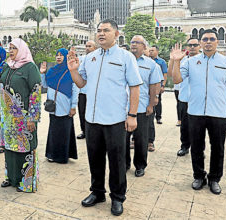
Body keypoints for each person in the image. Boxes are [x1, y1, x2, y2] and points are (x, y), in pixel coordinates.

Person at [67, 19, 142, 216]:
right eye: (99, 30)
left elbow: (135, 86)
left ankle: (117, 197)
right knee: (95, 158)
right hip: (92, 119)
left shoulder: (126, 57)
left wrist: (132, 115)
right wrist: (73, 71)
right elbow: (81, 84)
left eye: (106, 30)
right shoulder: (90, 58)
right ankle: (97, 192)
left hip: (115, 119)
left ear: (116, 34)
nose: (101, 34)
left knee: (117, 160)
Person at [171, 29, 226, 195]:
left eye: (211, 39)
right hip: (195, 112)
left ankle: (215, 178)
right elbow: (176, 79)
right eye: (205, 39)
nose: (208, 42)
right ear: (201, 43)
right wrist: (175, 61)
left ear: (217, 42)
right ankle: (199, 176)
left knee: (218, 148)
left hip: (218, 113)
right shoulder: (191, 62)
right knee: (196, 147)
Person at [0, 38, 41, 192]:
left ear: (21, 49)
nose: (10, 51)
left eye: (14, 48)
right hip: (8, 117)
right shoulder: (7, 67)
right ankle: (12, 178)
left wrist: (32, 118)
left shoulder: (30, 68)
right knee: (10, 148)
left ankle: (26, 183)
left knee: (25, 148)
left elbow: (35, 93)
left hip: (23, 117)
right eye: (9, 48)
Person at [126, 35, 161, 177]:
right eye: (132, 42)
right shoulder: (123, 60)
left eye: (137, 43)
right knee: (122, 139)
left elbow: (154, 85)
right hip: (122, 107)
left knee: (141, 139)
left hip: (141, 107)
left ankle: (140, 165)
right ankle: (125, 163)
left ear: (144, 46)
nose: (134, 45)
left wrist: (151, 104)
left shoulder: (151, 65)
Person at [44, 48, 79, 163]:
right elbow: (45, 84)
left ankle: (63, 156)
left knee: (64, 131)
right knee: (54, 131)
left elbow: (75, 89)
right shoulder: (52, 70)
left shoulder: (70, 71)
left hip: (65, 106)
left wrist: (73, 106)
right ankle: (52, 154)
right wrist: (42, 73)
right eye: (56, 55)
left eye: (61, 55)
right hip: (53, 106)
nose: (58, 57)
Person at [170, 38, 201, 157]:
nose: (192, 47)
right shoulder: (182, 60)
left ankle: (198, 149)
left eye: (195, 45)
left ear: (199, 46)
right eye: (190, 45)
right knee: (185, 126)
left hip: (198, 99)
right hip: (185, 98)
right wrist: (173, 60)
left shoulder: (204, 61)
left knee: (199, 127)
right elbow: (172, 75)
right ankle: (184, 146)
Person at [76, 40, 97, 140]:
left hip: (94, 92)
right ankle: (84, 131)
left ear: (95, 48)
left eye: (90, 46)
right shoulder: (82, 59)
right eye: (86, 46)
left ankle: (94, 132)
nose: (87, 48)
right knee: (82, 111)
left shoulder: (98, 58)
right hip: (82, 91)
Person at [149, 45, 168, 125]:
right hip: (148, 85)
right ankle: (150, 116)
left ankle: (158, 117)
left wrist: (163, 85)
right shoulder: (146, 61)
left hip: (158, 85)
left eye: (152, 50)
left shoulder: (161, 62)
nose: (150, 52)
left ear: (157, 51)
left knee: (158, 102)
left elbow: (165, 74)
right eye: (150, 50)